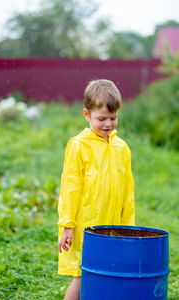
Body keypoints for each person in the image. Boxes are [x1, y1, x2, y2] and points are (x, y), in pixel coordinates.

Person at [58, 79, 135, 300]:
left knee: (110, 272)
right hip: (86, 226)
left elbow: (128, 192)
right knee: (83, 274)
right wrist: (67, 225)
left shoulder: (122, 148)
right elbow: (70, 187)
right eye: (101, 119)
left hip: (113, 224)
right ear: (86, 114)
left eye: (113, 118)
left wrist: (128, 227)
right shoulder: (79, 146)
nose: (108, 124)